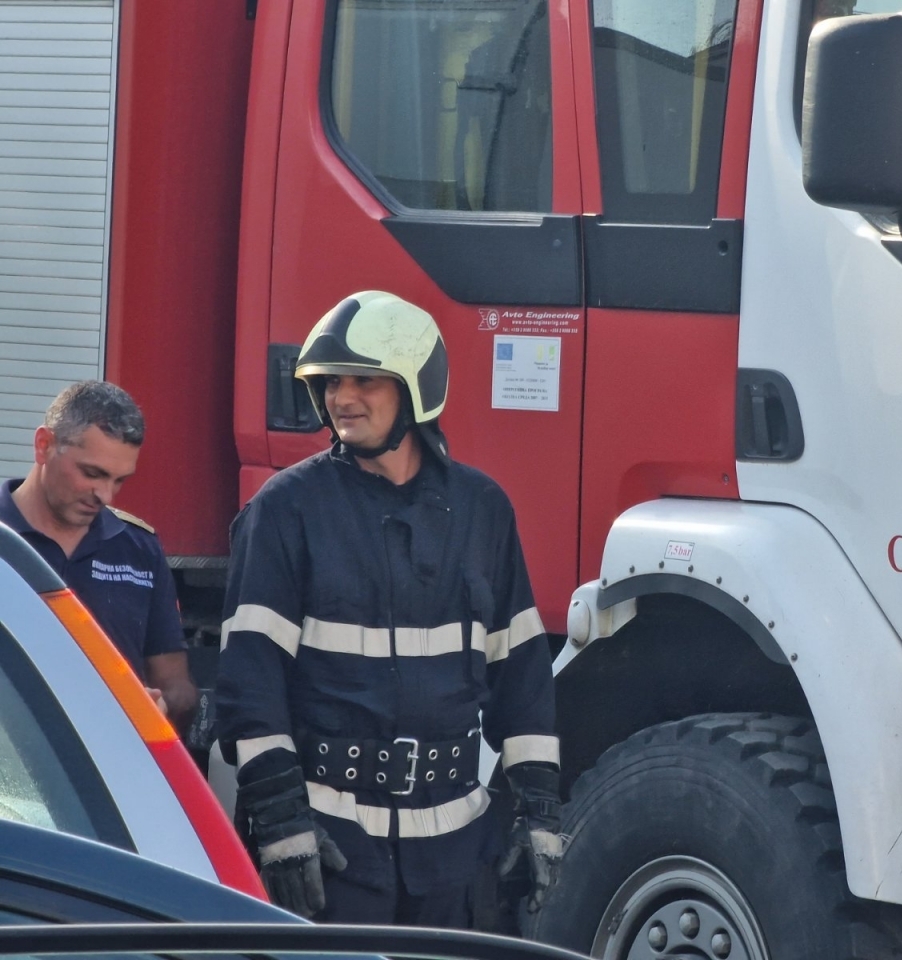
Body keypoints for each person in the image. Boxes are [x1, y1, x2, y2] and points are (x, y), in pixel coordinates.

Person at [215, 291, 562, 926]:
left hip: (457, 857)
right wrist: (282, 824)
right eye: (331, 382)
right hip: (333, 853)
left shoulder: (482, 510)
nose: (342, 398)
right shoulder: (285, 509)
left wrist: (538, 813)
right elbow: (250, 682)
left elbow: (523, 674)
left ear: (415, 387)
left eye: (364, 381)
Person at [0, 380, 197, 733]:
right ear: (44, 445)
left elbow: (177, 685)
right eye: (92, 474)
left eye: (120, 480)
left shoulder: (139, 550)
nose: (105, 495)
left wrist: (159, 705)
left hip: (105, 764)